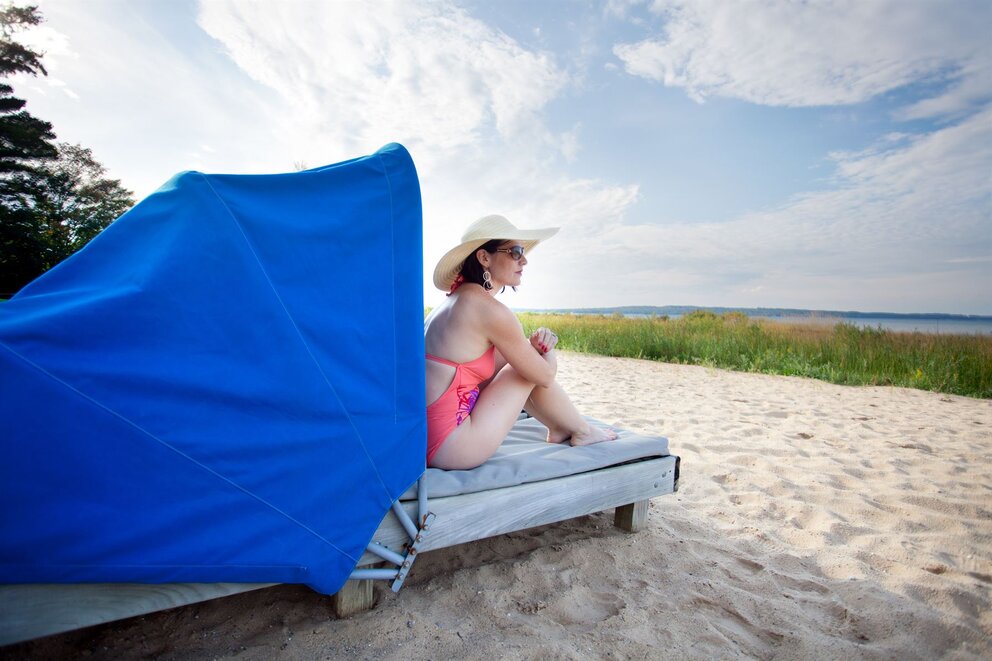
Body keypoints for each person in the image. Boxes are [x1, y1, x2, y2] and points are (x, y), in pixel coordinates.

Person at [425, 214, 617, 470]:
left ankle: (561, 427)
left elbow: (479, 372)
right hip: (452, 447)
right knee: (529, 365)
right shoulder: (488, 309)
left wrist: (529, 351)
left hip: (425, 439)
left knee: (517, 358)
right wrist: (545, 352)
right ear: (484, 258)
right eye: (516, 252)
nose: (524, 260)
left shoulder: (453, 302)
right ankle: (581, 430)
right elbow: (544, 377)